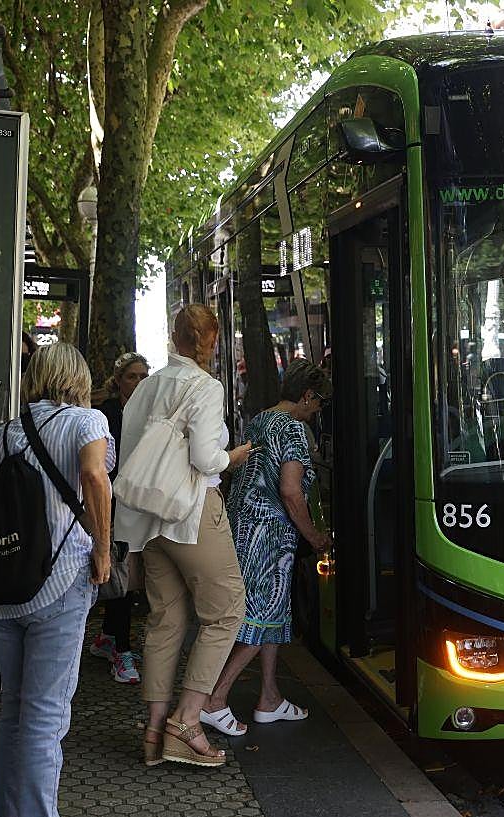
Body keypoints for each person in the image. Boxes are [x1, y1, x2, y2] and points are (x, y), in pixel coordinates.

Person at [0, 342, 114, 817]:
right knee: (44, 720)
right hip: (59, 583)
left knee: (13, 713)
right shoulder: (87, 422)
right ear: (77, 378)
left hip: (6, 586)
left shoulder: (5, 433)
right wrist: (102, 551)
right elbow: (96, 478)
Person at [116, 304, 253, 768]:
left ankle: (154, 732)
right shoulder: (205, 386)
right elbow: (206, 459)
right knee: (227, 610)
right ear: (210, 341)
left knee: (165, 619)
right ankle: (187, 721)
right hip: (191, 514)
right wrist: (234, 455)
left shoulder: (147, 386)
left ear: (174, 337)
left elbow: (131, 451)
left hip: (148, 521)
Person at [202, 359, 332, 733]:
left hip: (242, 526)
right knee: (260, 618)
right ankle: (214, 698)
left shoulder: (260, 419)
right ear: (307, 396)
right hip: (270, 534)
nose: (318, 410)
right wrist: (314, 537)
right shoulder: (293, 429)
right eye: (320, 402)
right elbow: (291, 492)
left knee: (272, 614)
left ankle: (269, 697)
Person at [88, 352, 150, 684]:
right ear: (118, 380)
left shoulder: (152, 413)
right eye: (132, 376)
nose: (139, 382)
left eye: (144, 376)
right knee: (121, 575)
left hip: (141, 503)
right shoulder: (106, 413)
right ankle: (121, 649)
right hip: (113, 504)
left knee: (127, 574)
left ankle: (110, 637)